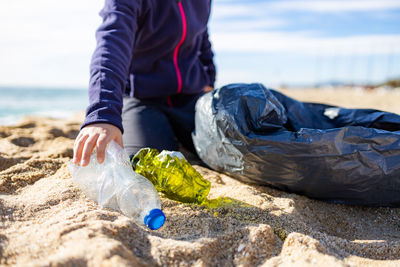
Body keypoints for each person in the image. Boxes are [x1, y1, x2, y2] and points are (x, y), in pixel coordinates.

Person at [73, 0, 216, 166]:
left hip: (190, 96)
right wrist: (102, 114)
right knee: (147, 164)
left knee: (232, 150)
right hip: (141, 97)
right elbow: (111, 45)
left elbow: (202, 38)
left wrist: (209, 78)